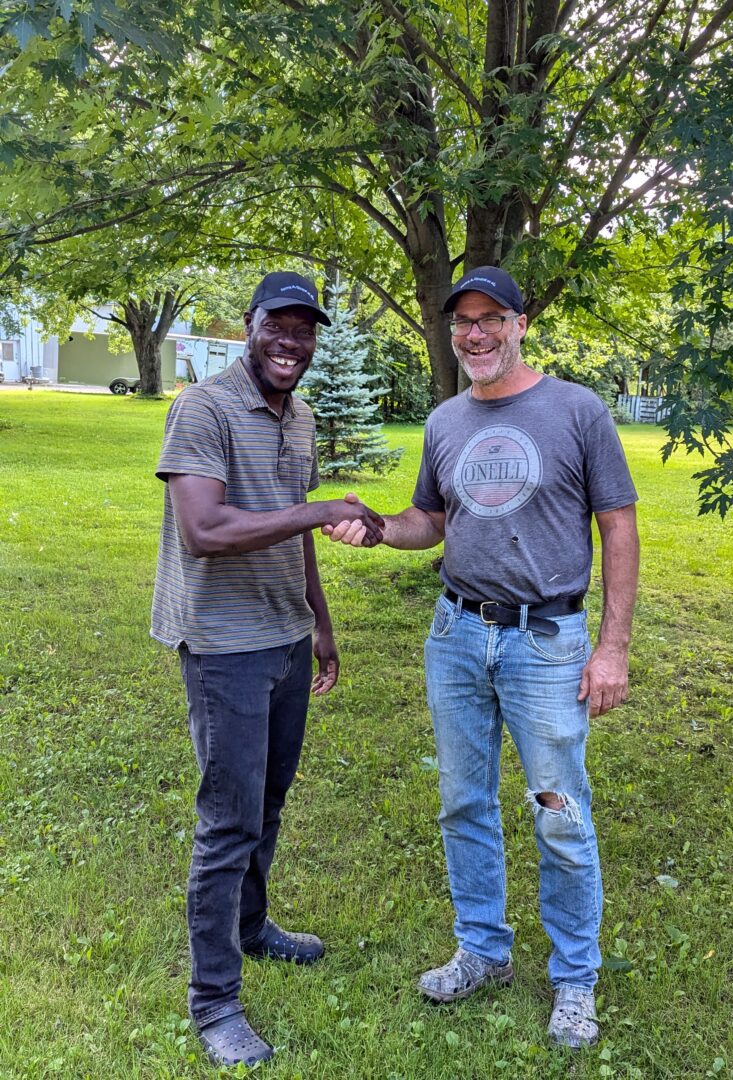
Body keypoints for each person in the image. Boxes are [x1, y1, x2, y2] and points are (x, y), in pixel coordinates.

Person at [326, 266, 639, 1049]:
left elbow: (619, 528)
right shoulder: (444, 422)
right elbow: (429, 521)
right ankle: (483, 951)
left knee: (556, 811)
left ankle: (574, 979)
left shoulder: (576, 410)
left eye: (490, 317)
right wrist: (376, 529)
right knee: (463, 802)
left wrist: (612, 647)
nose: (474, 333)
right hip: (457, 635)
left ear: (520, 323)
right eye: (462, 320)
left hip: (547, 641)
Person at [150, 271, 384, 1068]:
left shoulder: (303, 416)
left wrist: (319, 622)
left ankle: (250, 929)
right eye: (277, 326)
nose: (292, 342)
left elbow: (291, 530)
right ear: (247, 326)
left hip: (283, 636)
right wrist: (322, 509)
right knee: (228, 822)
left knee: (268, 801)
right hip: (223, 645)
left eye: (305, 330)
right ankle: (213, 1001)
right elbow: (205, 530)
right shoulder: (203, 409)